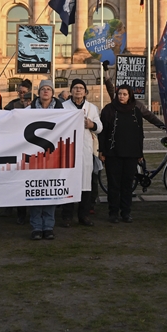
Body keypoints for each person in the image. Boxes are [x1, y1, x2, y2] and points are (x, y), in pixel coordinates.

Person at [59, 79, 102, 228]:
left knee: (86, 184)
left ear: (85, 92)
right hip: (68, 148)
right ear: (71, 91)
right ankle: (67, 216)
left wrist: (91, 124)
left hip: (85, 150)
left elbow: (100, 127)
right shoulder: (63, 107)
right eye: (75, 88)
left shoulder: (92, 108)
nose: (78, 90)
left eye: (81, 88)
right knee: (68, 182)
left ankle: (83, 215)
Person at [99, 84, 144, 226]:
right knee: (114, 184)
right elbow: (103, 132)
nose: (121, 97)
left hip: (131, 153)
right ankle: (113, 212)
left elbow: (140, 133)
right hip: (113, 153)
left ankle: (126, 212)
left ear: (129, 96)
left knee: (127, 184)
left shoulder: (136, 111)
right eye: (119, 94)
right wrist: (102, 151)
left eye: (124, 94)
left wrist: (140, 152)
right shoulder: (109, 110)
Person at [26, 80, 63, 238]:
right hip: (34, 156)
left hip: (54, 155)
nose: (46, 91)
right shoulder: (29, 109)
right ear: (39, 92)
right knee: (35, 190)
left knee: (49, 190)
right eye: (43, 89)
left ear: (53, 93)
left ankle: (48, 226)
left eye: (48, 89)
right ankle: (36, 227)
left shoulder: (63, 110)